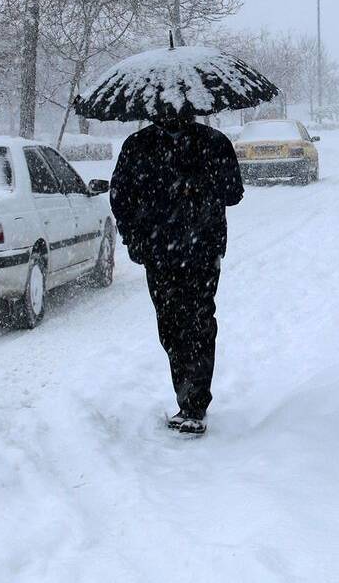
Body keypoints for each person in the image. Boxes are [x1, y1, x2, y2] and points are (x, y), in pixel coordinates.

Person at [109, 112, 244, 435]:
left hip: (197, 250)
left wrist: (196, 181)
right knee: (177, 324)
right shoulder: (139, 146)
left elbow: (232, 192)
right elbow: (121, 199)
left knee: (192, 322)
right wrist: (136, 239)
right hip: (165, 252)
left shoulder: (211, 143)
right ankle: (188, 397)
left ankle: (193, 403)